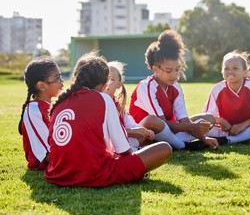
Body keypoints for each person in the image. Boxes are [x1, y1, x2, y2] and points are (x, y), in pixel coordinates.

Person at [45, 51, 172, 187]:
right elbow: (123, 149)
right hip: (93, 174)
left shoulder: (58, 103)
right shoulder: (103, 99)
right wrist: (135, 167)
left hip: (58, 174)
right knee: (164, 148)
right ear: (103, 82)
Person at [129, 29, 224, 151]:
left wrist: (203, 138)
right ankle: (182, 145)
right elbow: (162, 123)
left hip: (169, 132)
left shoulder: (175, 86)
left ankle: (173, 142)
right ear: (155, 69)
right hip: (146, 134)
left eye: (177, 70)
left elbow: (184, 119)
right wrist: (193, 128)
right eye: (168, 71)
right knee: (153, 121)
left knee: (209, 118)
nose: (174, 75)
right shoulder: (146, 87)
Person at [203, 50, 250, 144]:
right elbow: (207, 117)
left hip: (249, 127)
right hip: (226, 129)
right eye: (226, 68)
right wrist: (221, 121)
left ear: (245, 72)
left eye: (235, 68)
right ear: (222, 71)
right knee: (203, 125)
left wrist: (244, 125)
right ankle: (235, 137)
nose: (230, 71)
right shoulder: (217, 88)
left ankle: (229, 140)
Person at [105, 60, 167, 150]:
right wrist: (131, 131)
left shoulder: (117, 103)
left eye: (112, 80)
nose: (107, 83)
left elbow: (129, 122)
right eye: (105, 78)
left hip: (122, 138)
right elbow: (107, 132)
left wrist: (142, 131)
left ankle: (135, 148)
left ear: (119, 84)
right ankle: (133, 151)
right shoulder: (99, 103)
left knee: (143, 135)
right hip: (109, 142)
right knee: (161, 148)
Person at [18, 57, 64, 170]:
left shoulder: (56, 105)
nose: (62, 81)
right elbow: (48, 154)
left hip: (62, 156)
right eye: (57, 78)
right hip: (46, 163)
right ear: (42, 86)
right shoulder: (33, 111)